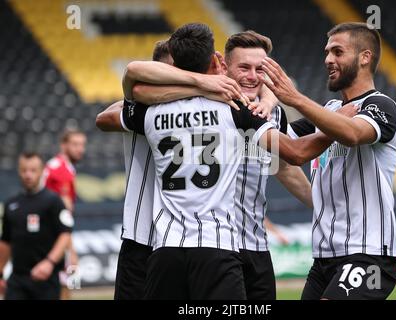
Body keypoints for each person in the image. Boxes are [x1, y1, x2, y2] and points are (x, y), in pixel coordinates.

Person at [124, 30, 313, 299]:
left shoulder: (270, 112)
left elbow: (282, 166)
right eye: (244, 67)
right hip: (214, 245)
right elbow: (125, 99)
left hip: (252, 245)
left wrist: (320, 205)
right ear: (222, 64)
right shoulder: (229, 107)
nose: (252, 76)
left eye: (260, 69)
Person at [260, 22, 396, 300]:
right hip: (324, 257)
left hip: (368, 254)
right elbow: (283, 147)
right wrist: (266, 96)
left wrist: (296, 99)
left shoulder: (380, 106)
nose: (328, 60)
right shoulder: (329, 110)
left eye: (337, 52)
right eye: (327, 52)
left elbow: (351, 133)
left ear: (365, 57)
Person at [97, 39, 173, 300]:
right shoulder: (141, 109)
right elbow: (104, 118)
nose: (172, 77)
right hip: (141, 238)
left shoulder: (201, 107)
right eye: (165, 71)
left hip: (181, 242)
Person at [0, 152, 72, 300]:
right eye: (24, 170)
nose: (28, 175)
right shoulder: (11, 204)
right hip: (17, 279)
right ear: (19, 171)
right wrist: (0, 273)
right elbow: (5, 241)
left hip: (46, 280)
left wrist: (49, 262)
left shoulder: (53, 201)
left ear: (42, 171)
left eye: (33, 170)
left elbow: (65, 234)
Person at [43, 128, 86, 299]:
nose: (80, 149)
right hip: (53, 236)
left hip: (44, 233)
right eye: (75, 144)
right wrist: (71, 249)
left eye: (82, 145)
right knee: (68, 281)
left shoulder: (54, 165)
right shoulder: (63, 172)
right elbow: (65, 214)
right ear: (63, 146)